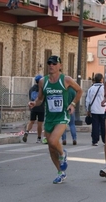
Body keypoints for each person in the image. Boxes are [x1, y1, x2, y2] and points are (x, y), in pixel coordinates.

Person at [28, 55, 83, 184]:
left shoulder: (66, 79)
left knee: (53, 141)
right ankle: (60, 173)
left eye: (54, 63)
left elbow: (80, 91)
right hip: (50, 118)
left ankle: (63, 154)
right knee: (51, 148)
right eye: (49, 63)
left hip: (62, 116)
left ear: (60, 66)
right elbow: (40, 99)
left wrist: (73, 104)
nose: (51, 66)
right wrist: (34, 103)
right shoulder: (43, 81)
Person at [85, 73, 106, 146]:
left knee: (95, 126)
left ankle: (95, 141)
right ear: (101, 80)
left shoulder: (91, 89)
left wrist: (88, 109)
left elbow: (88, 100)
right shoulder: (104, 88)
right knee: (104, 126)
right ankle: (105, 140)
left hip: (94, 110)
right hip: (103, 109)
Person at [23, 75, 44, 143]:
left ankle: (27, 132)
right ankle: (39, 138)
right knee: (39, 123)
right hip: (41, 107)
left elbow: (30, 97)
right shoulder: (42, 89)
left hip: (33, 107)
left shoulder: (31, 88)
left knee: (31, 121)